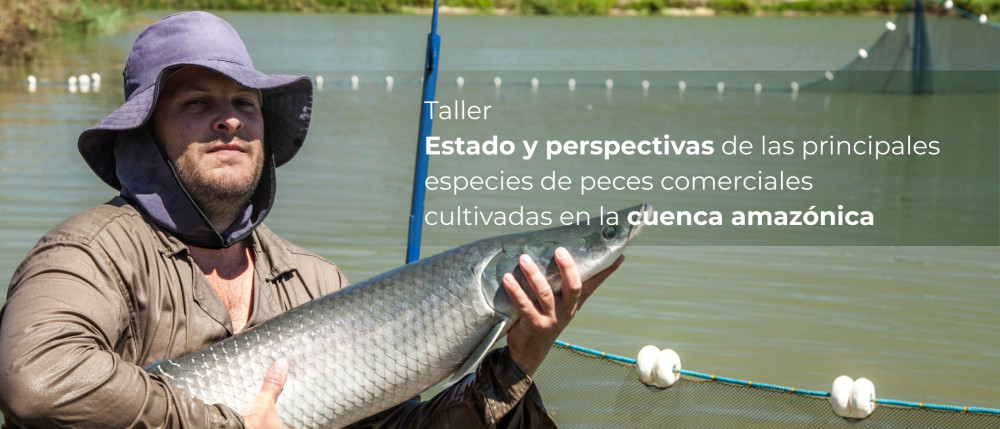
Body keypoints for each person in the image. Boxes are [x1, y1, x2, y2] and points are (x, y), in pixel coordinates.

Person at [0, 11, 622, 429]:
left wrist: (516, 360)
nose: (231, 120)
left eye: (245, 103)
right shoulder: (89, 251)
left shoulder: (313, 279)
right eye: (197, 104)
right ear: (144, 135)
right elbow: (37, 378)